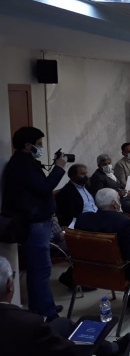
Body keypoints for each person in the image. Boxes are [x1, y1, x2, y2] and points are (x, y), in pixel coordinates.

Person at [0, 256, 130, 356]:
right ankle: (113, 349)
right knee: (83, 334)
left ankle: (113, 349)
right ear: (10, 285)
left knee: (64, 324)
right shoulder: (30, 323)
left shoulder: (28, 323)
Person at [1, 126, 67, 321]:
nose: (41, 147)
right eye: (39, 144)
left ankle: (40, 307)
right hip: (35, 223)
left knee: (37, 269)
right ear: (28, 145)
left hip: (37, 221)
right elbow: (44, 187)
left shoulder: (25, 162)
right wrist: (59, 168)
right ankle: (48, 313)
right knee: (41, 269)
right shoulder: (23, 165)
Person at [75, 188, 130, 309]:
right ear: (114, 203)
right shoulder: (124, 222)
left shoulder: (82, 219)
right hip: (118, 272)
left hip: (88, 271)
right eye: (118, 199)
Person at [55, 163, 98, 228]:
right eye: (82, 174)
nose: (85, 176)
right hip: (82, 221)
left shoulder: (87, 187)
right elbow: (68, 214)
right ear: (73, 176)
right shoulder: (66, 191)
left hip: (96, 216)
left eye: (85, 174)